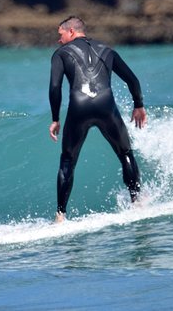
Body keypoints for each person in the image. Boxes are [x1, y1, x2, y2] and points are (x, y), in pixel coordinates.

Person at [48, 16, 147, 223]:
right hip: (106, 106)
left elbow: (55, 87)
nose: (59, 40)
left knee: (67, 160)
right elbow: (132, 79)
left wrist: (56, 118)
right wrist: (138, 105)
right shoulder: (108, 50)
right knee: (126, 153)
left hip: (79, 107)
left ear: (72, 32)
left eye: (61, 34)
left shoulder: (60, 54)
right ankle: (136, 202)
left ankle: (60, 215)